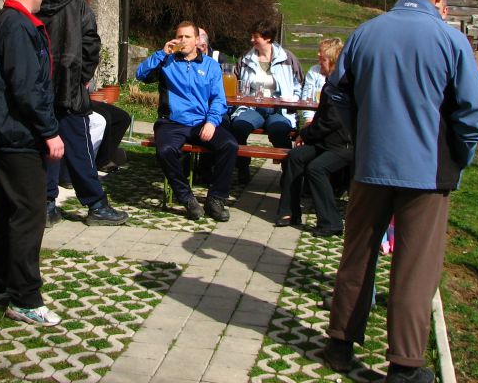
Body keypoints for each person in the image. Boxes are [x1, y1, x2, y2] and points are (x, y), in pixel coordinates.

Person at [320, 0, 478, 383]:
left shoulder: (364, 34)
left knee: (357, 254)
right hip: (427, 173)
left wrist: (362, 133)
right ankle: (404, 366)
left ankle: (339, 344)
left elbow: (336, 91)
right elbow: (473, 111)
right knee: (415, 266)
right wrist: (461, 155)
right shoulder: (451, 43)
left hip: (370, 164)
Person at [0, 0, 65, 327]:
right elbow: (27, 87)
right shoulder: (19, 26)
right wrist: (49, 131)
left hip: (3, 132)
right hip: (19, 135)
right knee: (29, 213)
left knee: (4, 208)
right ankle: (25, 298)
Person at [38, 0, 127, 227]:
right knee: (80, 148)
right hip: (70, 91)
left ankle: (46, 205)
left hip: (39, 91)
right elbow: (91, 47)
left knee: (47, 147)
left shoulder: (33, 4)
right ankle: (96, 205)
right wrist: (81, 79)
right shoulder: (78, 6)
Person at [136, 21, 238, 221]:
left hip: (202, 121)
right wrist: (161, 53)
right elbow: (141, 75)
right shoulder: (167, 61)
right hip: (172, 122)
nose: (182, 40)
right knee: (165, 151)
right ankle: (187, 198)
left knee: (230, 145)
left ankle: (216, 199)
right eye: (179, 36)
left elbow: (218, 99)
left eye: (187, 37)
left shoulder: (211, 66)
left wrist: (211, 122)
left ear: (197, 40)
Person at [275, 37, 350, 233]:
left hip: (345, 145)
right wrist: (306, 134)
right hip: (325, 142)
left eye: (322, 58)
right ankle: (289, 212)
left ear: (332, 60)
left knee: (316, 169)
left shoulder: (342, 86)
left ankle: (331, 222)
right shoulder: (330, 83)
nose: (318, 60)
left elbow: (331, 121)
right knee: (295, 157)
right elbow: (322, 118)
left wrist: (306, 135)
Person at [230, 19, 304, 184]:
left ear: (268, 38)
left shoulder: (287, 59)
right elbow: (237, 84)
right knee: (239, 126)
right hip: (253, 107)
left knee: (279, 129)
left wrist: (293, 99)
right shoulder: (245, 59)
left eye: (255, 36)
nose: (252, 40)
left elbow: (298, 85)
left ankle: (288, 172)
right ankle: (242, 167)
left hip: (278, 108)